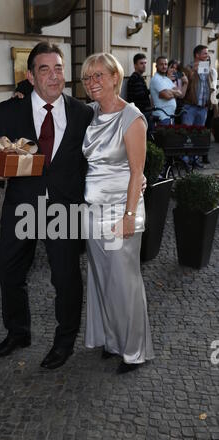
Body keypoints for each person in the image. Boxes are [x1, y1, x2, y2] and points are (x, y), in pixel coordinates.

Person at [0, 42, 94, 370]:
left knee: (65, 279)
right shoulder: (9, 111)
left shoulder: (83, 113)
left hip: (64, 208)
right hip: (22, 205)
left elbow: (95, 163)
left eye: (58, 68)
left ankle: (64, 343)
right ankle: (18, 332)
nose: (53, 75)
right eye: (44, 69)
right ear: (31, 77)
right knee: (8, 270)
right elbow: (1, 161)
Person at [81, 53, 155, 374]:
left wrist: (128, 215)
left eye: (99, 75)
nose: (92, 82)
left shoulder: (132, 118)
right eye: (87, 77)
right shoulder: (91, 113)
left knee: (125, 283)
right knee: (101, 281)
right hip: (92, 213)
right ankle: (113, 341)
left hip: (121, 214)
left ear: (116, 77)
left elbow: (137, 171)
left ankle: (134, 350)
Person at [182, 45, 213, 167]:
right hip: (190, 107)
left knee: (198, 135)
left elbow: (208, 86)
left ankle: (194, 159)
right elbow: (185, 83)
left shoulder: (207, 68)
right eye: (205, 53)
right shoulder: (188, 68)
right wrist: (193, 71)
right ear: (197, 55)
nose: (207, 56)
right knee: (187, 134)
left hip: (202, 107)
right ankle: (184, 160)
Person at [150, 56, 183, 125]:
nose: (164, 66)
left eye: (165, 64)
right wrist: (173, 93)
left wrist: (169, 91)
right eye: (161, 64)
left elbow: (180, 94)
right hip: (161, 117)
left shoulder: (167, 79)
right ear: (156, 66)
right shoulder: (156, 79)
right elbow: (166, 95)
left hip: (171, 117)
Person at [127, 53, 151, 122]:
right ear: (135, 65)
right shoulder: (135, 78)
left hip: (142, 113)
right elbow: (140, 96)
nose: (144, 66)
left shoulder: (139, 77)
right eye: (141, 63)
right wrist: (150, 90)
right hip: (140, 113)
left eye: (145, 63)